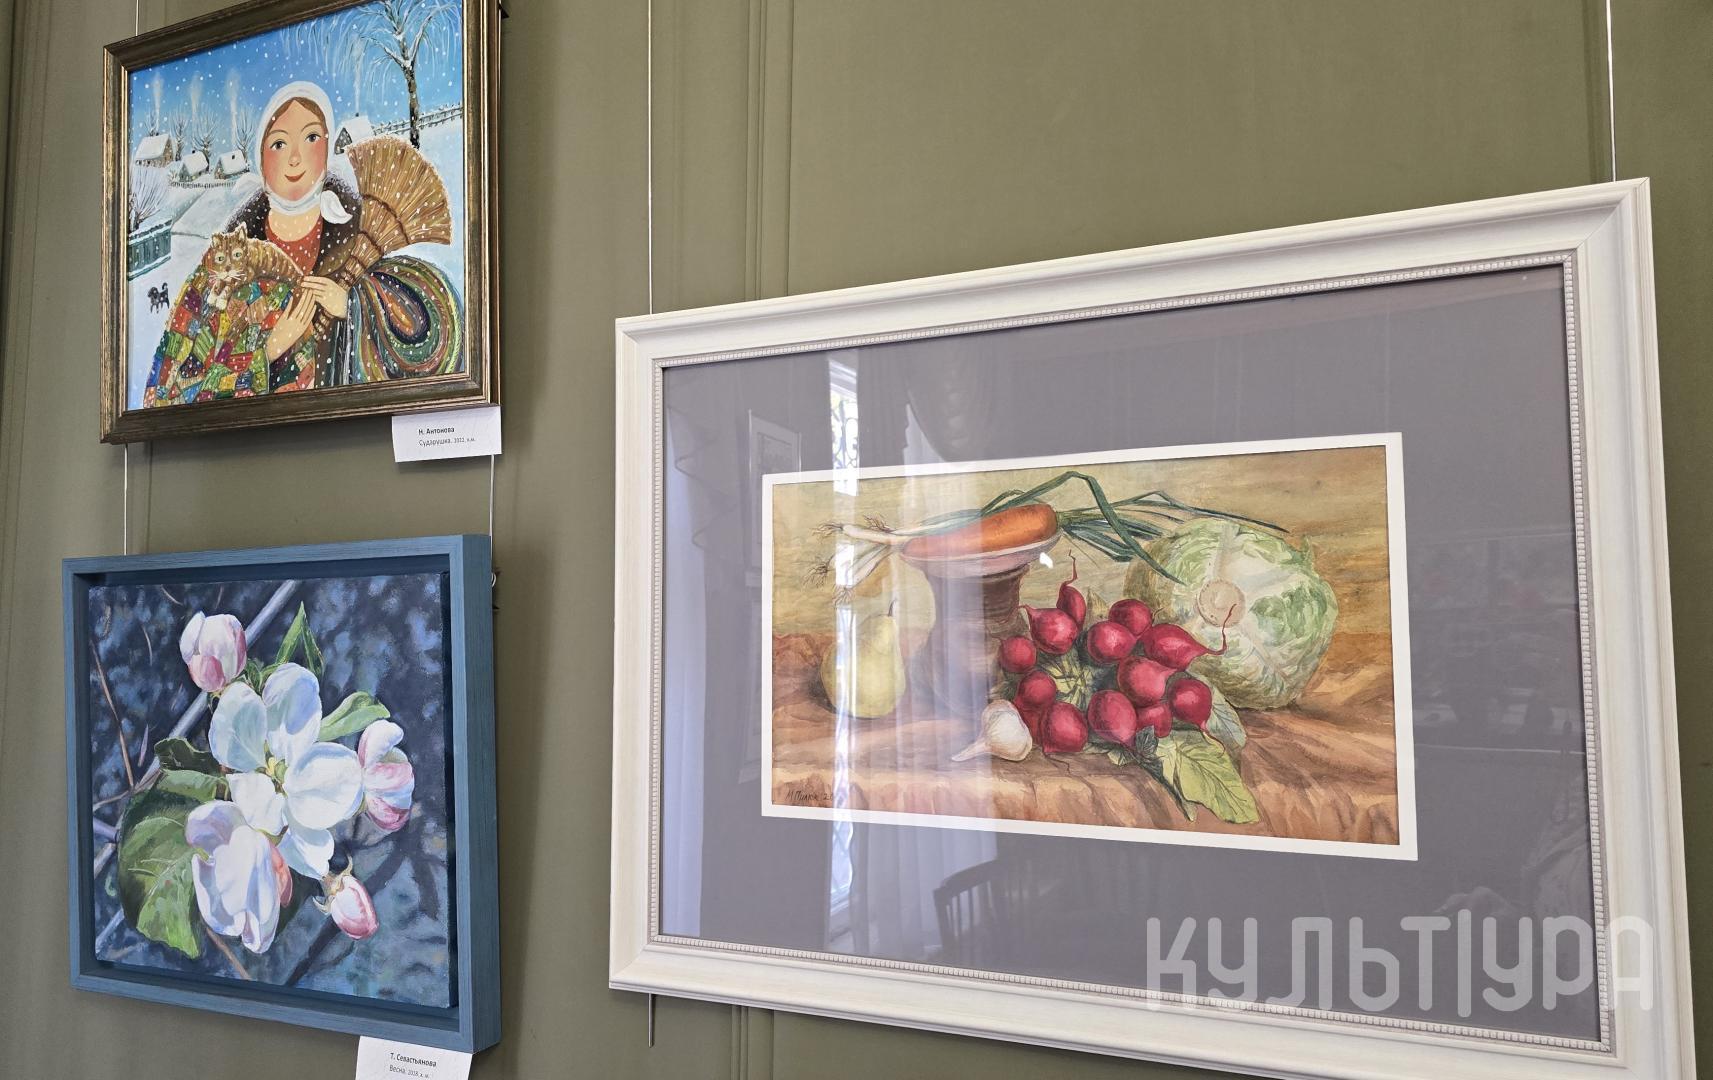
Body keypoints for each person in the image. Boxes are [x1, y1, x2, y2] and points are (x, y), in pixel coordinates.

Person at [143, 81, 461, 407]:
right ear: (261, 159)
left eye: (311, 138)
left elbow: (432, 336)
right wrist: (266, 353)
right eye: (279, 143)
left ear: (327, 148)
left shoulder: (359, 241)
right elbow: (165, 395)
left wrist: (352, 305)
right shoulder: (220, 266)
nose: (295, 158)